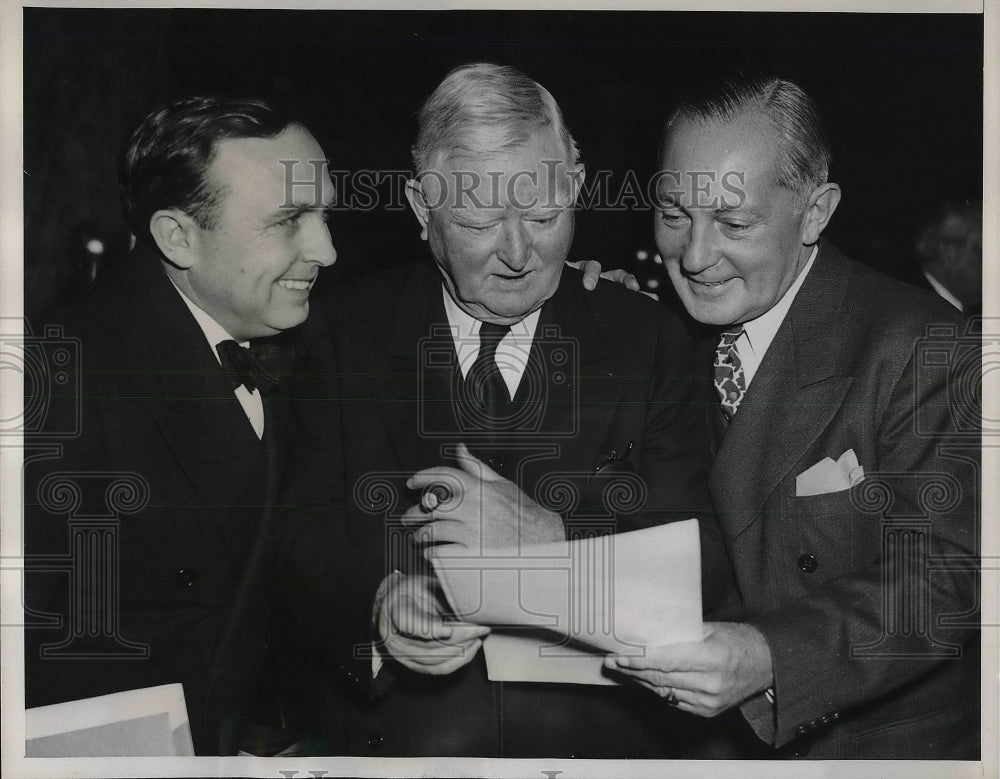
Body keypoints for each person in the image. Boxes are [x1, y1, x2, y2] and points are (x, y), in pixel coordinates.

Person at [313, 62, 725, 758]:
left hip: (604, 749)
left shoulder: (650, 337)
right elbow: (296, 527)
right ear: (421, 207)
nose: (517, 254)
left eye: (543, 216)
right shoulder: (337, 332)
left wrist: (556, 540)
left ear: (577, 185)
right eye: (478, 221)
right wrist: (376, 603)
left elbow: (708, 557)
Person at [605, 75, 980, 759]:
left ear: (815, 213)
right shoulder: (666, 339)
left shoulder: (923, 343)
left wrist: (770, 656)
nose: (694, 257)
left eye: (734, 224)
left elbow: (947, 578)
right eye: (673, 214)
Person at [22, 96, 347, 755]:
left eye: (324, 214)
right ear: (177, 237)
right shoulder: (57, 382)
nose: (327, 250)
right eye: (288, 220)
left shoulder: (298, 341)